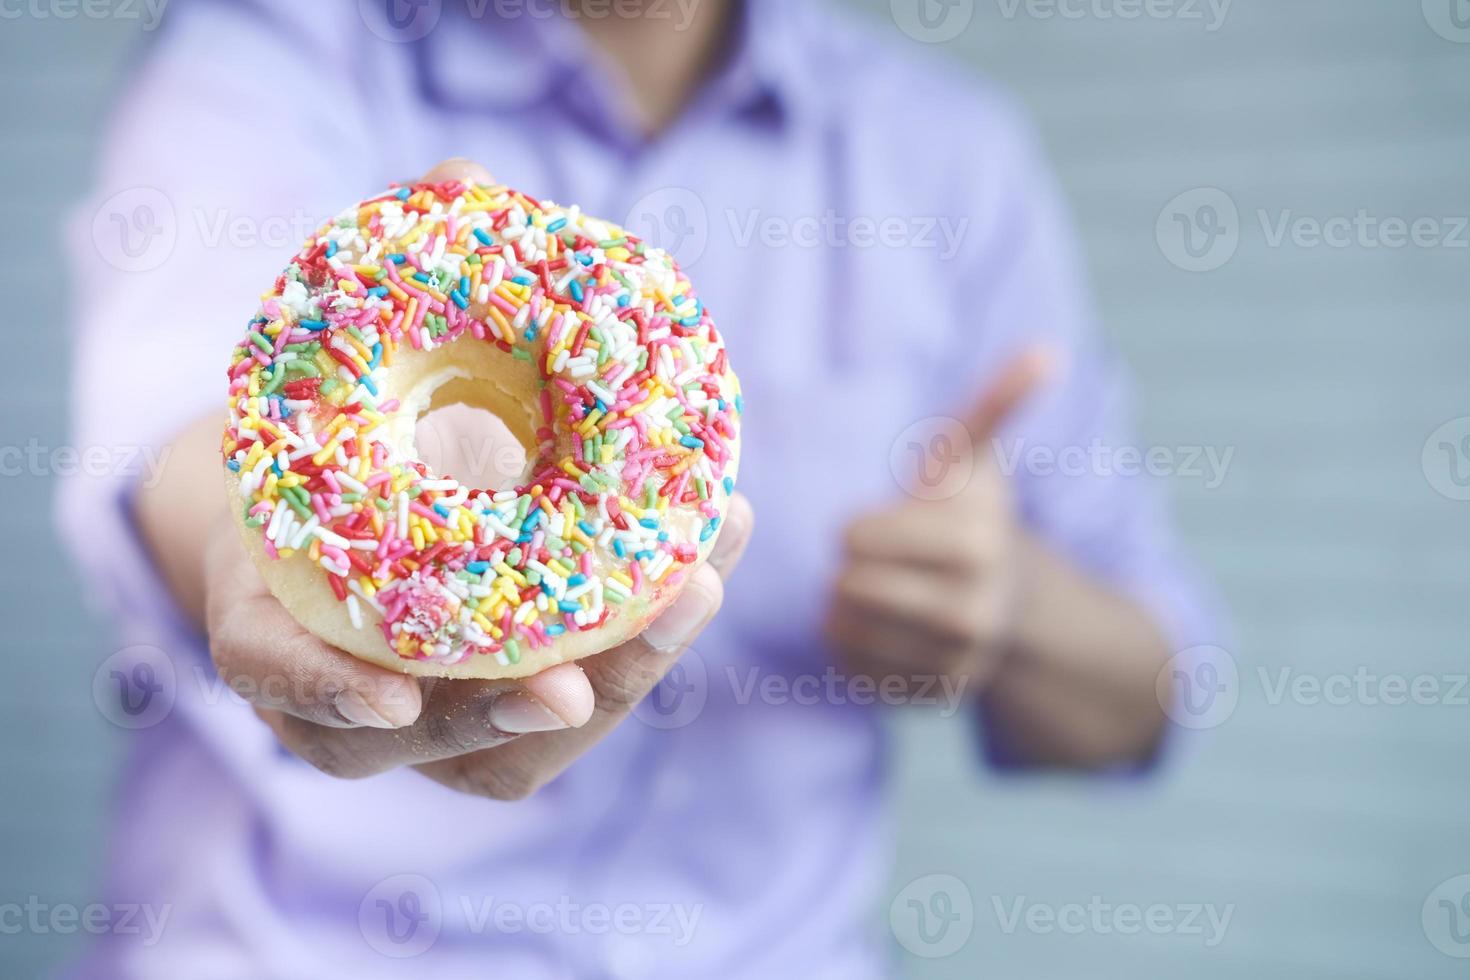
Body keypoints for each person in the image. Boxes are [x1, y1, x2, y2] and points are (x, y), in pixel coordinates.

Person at [61, 0, 1220, 976]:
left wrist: (1009, 602)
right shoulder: (282, 45)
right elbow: (184, 440)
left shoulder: (946, 157)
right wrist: (258, 558)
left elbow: (1153, 692)